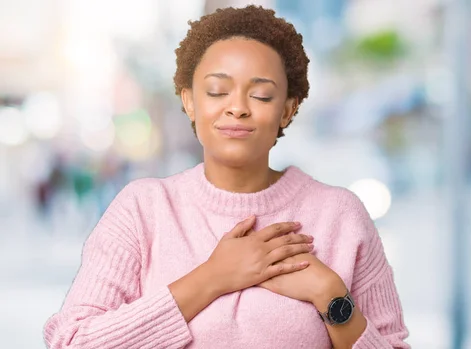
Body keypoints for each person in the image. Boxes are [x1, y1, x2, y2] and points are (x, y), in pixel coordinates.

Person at [43, 5, 410, 349]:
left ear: (287, 110)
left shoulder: (340, 215)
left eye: (262, 95)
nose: (237, 107)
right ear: (189, 101)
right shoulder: (143, 210)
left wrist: (331, 296)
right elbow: (72, 340)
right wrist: (212, 278)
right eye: (217, 91)